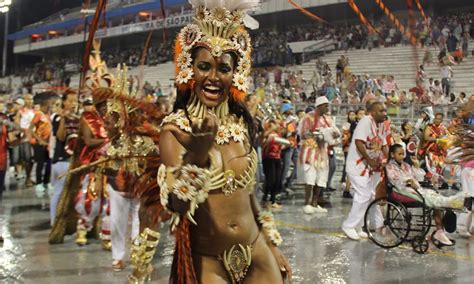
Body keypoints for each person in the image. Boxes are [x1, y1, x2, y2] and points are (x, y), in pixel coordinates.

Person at [155, 0, 291, 282]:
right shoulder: (175, 129)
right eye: (204, 66)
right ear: (189, 69)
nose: (214, 77)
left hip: (257, 253)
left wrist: (272, 245)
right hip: (209, 260)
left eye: (224, 69)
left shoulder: (241, 124)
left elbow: (250, 194)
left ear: (235, 74)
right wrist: (197, 159)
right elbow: (175, 206)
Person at [386, 144, 465, 245]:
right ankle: (449, 203)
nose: (402, 156)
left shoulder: (405, 165)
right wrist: (408, 180)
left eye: (403, 154)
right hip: (401, 190)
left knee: (433, 195)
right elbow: (395, 180)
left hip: (414, 189)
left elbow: (419, 177)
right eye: (399, 154)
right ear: (392, 154)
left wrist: (416, 165)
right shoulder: (389, 167)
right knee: (431, 198)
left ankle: (440, 230)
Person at [341, 102, 388, 240]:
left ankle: (358, 226)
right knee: (363, 195)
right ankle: (348, 225)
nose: (384, 113)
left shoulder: (382, 125)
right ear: (372, 112)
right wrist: (368, 159)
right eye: (381, 111)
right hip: (358, 165)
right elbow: (358, 142)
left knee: (367, 197)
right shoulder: (365, 121)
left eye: (385, 111)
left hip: (371, 167)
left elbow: (384, 144)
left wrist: (390, 159)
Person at [299, 96, 338, 214]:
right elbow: (303, 134)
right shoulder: (308, 117)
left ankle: (315, 204)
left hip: (323, 151)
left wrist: (333, 134)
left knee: (321, 178)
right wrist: (318, 134)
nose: (327, 107)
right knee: (310, 178)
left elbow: (333, 132)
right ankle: (307, 203)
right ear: (319, 106)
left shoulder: (328, 119)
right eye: (325, 105)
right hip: (310, 151)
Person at [50, 90, 79, 226]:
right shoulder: (57, 117)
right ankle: (54, 220)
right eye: (70, 101)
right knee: (59, 191)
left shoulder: (78, 118)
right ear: (64, 102)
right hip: (62, 160)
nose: (73, 103)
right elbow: (60, 137)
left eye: (75, 100)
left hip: (75, 160)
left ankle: (67, 221)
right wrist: (63, 118)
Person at [28, 92, 54, 199]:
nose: (50, 106)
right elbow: (31, 129)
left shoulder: (48, 115)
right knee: (40, 163)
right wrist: (39, 140)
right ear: (44, 104)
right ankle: (39, 183)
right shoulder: (38, 114)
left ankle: (46, 181)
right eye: (49, 105)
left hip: (49, 143)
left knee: (48, 162)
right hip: (40, 143)